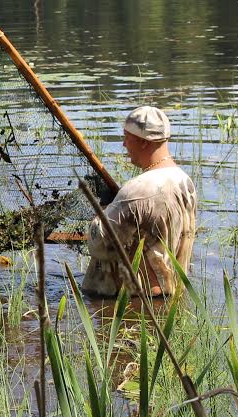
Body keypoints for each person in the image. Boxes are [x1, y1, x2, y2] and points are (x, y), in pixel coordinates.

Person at [83, 106, 197, 298]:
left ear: (143, 142)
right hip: (170, 293)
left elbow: (99, 243)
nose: (123, 144)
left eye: (127, 137)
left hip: (133, 300)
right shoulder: (184, 180)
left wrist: (100, 214)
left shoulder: (139, 189)